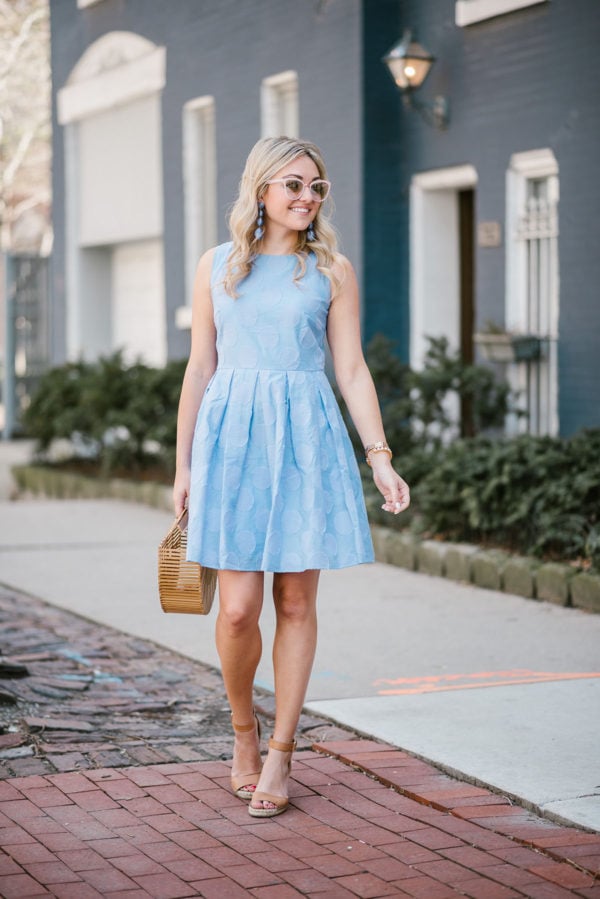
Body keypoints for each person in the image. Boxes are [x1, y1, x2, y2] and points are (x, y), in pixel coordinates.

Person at [173, 136, 410, 818]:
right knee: (239, 607)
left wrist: (380, 454)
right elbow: (200, 367)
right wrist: (183, 464)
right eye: (294, 185)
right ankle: (242, 730)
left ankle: (281, 752)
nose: (307, 197)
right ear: (261, 191)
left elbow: (352, 369)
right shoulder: (216, 267)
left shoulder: (331, 269)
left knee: (297, 603)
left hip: (304, 440)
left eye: (317, 187)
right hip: (233, 441)